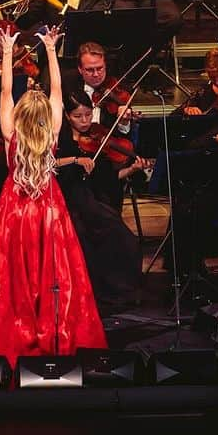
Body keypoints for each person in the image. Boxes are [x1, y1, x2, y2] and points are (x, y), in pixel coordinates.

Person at [0, 25, 107, 366]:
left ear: (21, 114)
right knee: (54, 274)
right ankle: (51, 330)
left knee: (11, 276)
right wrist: (52, 51)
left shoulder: (11, 133)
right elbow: (57, 89)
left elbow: (6, 89)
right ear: (45, 117)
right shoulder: (54, 130)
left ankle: (13, 331)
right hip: (48, 207)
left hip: (14, 209)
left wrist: (8, 52)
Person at [55, 87, 142, 309]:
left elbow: (109, 178)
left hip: (93, 199)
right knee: (85, 236)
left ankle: (120, 292)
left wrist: (132, 169)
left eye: (87, 115)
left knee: (123, 237)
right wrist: (75, 160)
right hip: (68, 199)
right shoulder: (59, 139)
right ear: (66, 116)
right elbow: (48, 166)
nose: (84, 121)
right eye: (77, 116)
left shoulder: (97, 137)